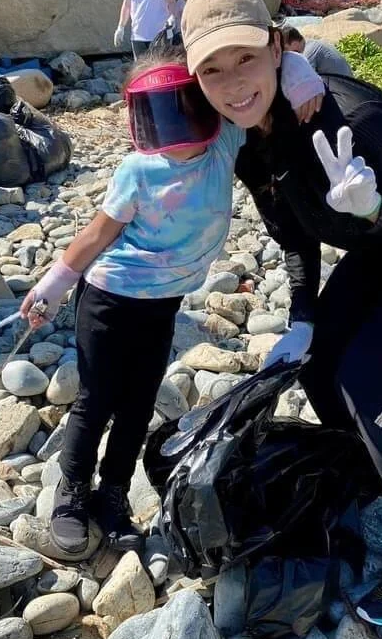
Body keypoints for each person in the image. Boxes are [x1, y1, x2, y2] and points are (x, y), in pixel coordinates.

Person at [182, 0, 382, 627]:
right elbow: (293, 234)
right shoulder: (248, 136)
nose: (233, 84)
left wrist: (371, 211)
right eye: (213, 70)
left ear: (277, 48)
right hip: (380, 242)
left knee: (363, 379)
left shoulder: (347, 118)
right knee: (316, 366)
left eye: (245, 59)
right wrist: (302, 317)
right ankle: (376, 477)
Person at [20, 44, 325, 554]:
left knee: (138, 403)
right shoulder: (139, 169)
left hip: (163, 304)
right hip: (110, 298)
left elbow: (260, 87)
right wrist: (53, 286)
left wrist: (296, 71)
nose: (172, 128)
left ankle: (112, 495)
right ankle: (70, 495)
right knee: (97, 400)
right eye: (156, 115)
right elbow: (97, 234)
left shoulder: (224, 142)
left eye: (181, 109)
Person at [280, 26, 354, 77]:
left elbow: (304, 79)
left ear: (294, 43)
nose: (286, 52)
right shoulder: (310, 44)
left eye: (286, 48)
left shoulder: (308, 52)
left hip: (342, 87)